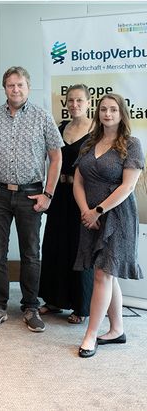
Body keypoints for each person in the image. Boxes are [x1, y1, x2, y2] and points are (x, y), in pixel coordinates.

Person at [0, 66, 63, 333]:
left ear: (28, 87)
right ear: (4, 88)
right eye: (11, 85)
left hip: (31, 194)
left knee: (31, 254)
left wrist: (48, 194)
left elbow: (56, 156)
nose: (16, 89)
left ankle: (31, 307)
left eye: (20, 85)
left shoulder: (42, 117)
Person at [74, 93, 144, 358]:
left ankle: (90, 335)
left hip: (118, 217)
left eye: (113, 109)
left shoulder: (132, 144)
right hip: (90, 217)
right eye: (103, 109)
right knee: (107, 271)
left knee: (103, 274)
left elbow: (127, 187)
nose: (107, 113)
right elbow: (78, 182)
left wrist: (98, 210)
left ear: (122, 113)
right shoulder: (89, 143)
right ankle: (117, 329)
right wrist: (85, 212)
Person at [39, 84, 94, 324]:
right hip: (59, 194)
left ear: (88, 103)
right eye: (70, 100)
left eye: (79, 100)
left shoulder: (96, 131)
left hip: (84, 196)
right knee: (55, 245)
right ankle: (53, 300)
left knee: (79, 248)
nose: (74, 104)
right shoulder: (59, 128)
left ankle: (81, 307)